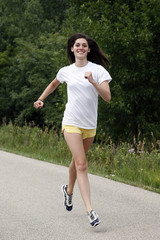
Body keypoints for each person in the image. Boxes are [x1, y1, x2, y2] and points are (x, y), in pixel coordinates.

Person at [34, 33, 112, 227]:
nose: (80, 48)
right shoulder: (66, 71)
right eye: (77, 45)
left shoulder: (98, 70)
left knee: (77, 162)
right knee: (82, 164)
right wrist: (41, 98)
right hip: (71, 122)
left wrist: (93, 82)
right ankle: (90, 211)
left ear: (89, 49)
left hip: (89, 126)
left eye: (84, 45)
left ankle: (68, 191)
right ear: (72, 49)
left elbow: (107, 97)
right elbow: (54, 83)